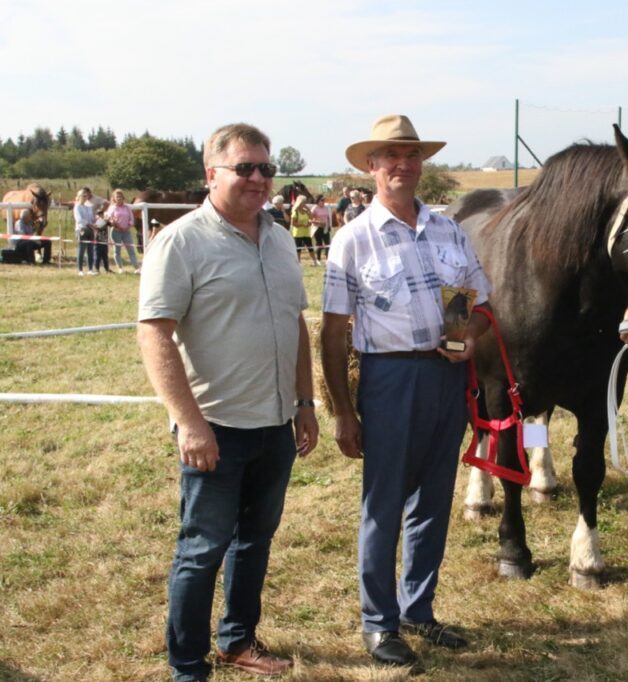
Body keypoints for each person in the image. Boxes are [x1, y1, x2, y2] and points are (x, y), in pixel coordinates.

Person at [137, 123, 318, 682]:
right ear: (210, 173)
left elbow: (296, 325)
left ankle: (237, 640)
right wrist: (189, 424)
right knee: (202, 549)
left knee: (255, 541)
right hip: (215, 428)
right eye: (245, 168)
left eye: (266, 168)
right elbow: (155, 334)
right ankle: (187, 667)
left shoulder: (283, 238)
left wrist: (306, 402)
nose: (259, 178)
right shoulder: (181, 241)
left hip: (275, 424)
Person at [321, 114, 492, 669]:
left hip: (446, 378)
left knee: (434, 500)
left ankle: (418, 609)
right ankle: (379, 622)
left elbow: (479, 306)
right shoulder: (352, 239)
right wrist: (343, 412)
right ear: (372, 167)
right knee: (385, 503)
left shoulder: (449, 230)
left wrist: (466, 333)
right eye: (390, 156)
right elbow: (331, 332)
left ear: (423, 164)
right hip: (388, 379)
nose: (402, 165)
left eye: (412, 155)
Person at [105, 189, 140, 273]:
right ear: (114, 198)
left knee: (131, 249)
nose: (119, 198)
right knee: (117, 250)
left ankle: (136, 268)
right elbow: (108, 216)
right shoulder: (112, 207)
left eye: (120, 196)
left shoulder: (127, 207)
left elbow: (131, 219)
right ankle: (120, 268)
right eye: (117, 196)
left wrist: (128, 226)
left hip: (126, 231)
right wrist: (112, 222)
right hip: (116, 231)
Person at [73, 188, 97, 276]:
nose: (84, 197)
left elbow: (91, 219)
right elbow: (79, 220)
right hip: (81, 229)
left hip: (90, 230)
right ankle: (80, 270)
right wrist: (89, 225)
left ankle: (90, 269)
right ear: (79, 197)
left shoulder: (88, 207)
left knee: (90, 250)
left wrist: (95, 221)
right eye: (83, 195)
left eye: (86, 195)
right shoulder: (77, 207)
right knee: (81, 249)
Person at [290, 195, 315, 264]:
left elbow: (311, 218)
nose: (305, 204)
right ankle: (298, 262)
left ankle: (314, 261)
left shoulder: (306, 211)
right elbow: (293, 223)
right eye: (303, 202)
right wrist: (303, 225)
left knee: (310, 247)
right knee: (298, 249)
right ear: (300, 203)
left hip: (306, 233)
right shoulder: (295, 212)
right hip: (298, 233)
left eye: (305, 203)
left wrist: (309, 210)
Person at [310, 194, 331, 262]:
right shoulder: (314, 208)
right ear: (318, 201)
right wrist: (318, 222)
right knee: (319, 244)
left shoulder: (326, 208)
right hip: (317, 228)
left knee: (327, 243)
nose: (323, 202)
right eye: (322, 200)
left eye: (324, 200)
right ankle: (318, 259)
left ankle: (327, 259)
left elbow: (328, 217)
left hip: (325, 227)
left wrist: (329, 226)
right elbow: (310, 219)